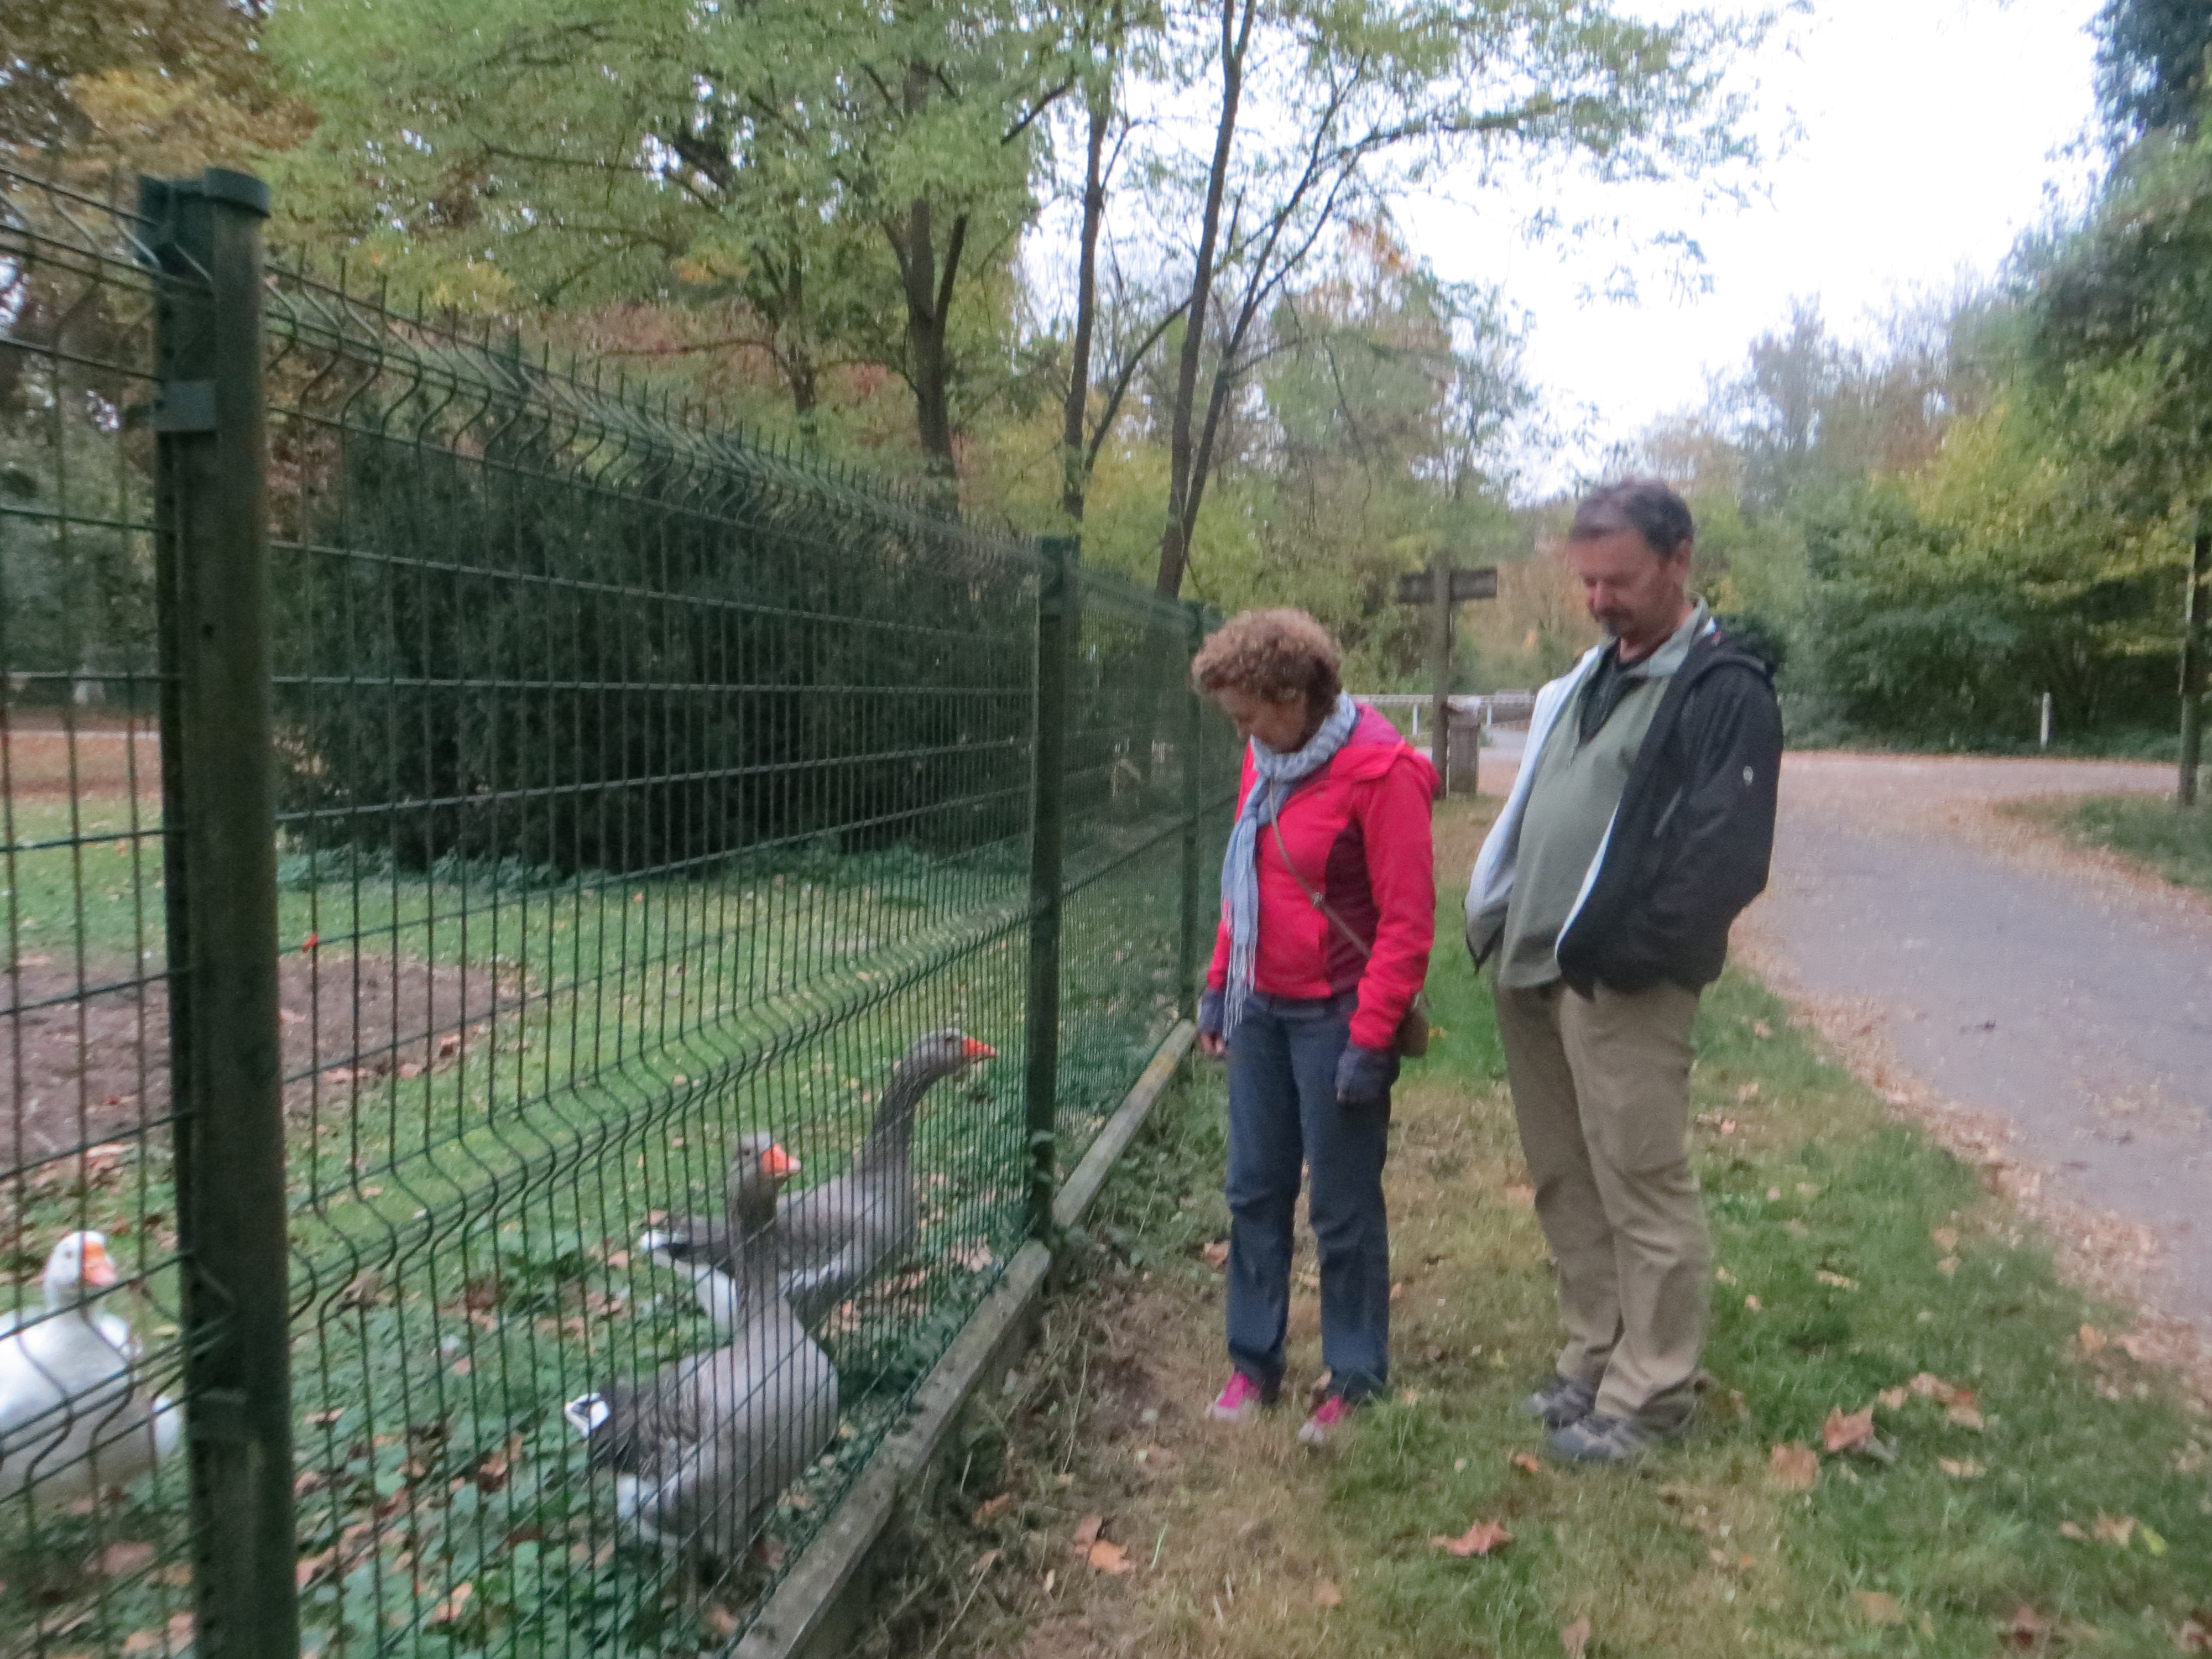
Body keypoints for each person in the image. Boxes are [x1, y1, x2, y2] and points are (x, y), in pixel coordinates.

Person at [1465, 479, 1781, 1465]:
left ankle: (1652, 1394)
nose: (1600, 601)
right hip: (1534, 966)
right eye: (1588, 583)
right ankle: (1594, 1355)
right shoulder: (1587, 678)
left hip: (1621, 984)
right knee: (1567, 1177)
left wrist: (1629, 956)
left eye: (1621, 580)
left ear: (1680, 559)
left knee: (1640, 1180)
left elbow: (1726, 857)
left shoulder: (1723, 690)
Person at [1193, 608, 1437, 1448]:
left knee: (1342, 1204)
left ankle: (1355, 1376)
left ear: (1293, 697)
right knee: (1255, 1190)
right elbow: (1246, 879)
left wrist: (1371, 1038)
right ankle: (1253, 1362)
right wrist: (1221, 985)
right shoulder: (1266, 758)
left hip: (1337, 1014)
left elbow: (1406, 923)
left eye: (1249, 715)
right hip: (1260, 1008)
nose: (1242, 733)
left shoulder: (1382, 773)